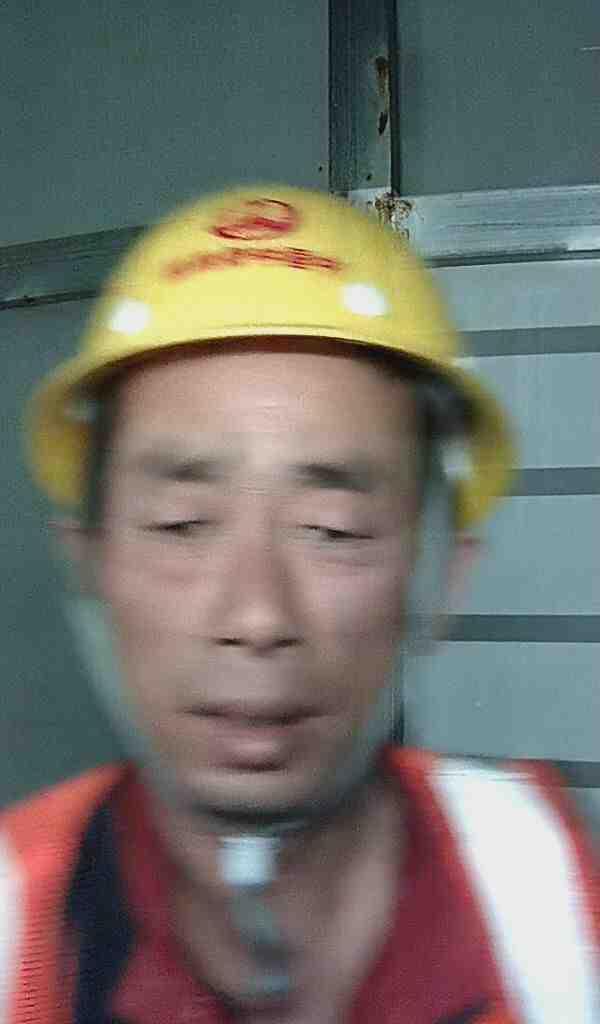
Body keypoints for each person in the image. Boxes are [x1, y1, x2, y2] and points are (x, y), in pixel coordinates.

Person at [2, 186, 598, 1024]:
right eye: (182, 523)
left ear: (440, 577)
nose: (256, 616)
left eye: (332, 529)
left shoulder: (551, 914)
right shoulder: (14, 930)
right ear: (90, 561)